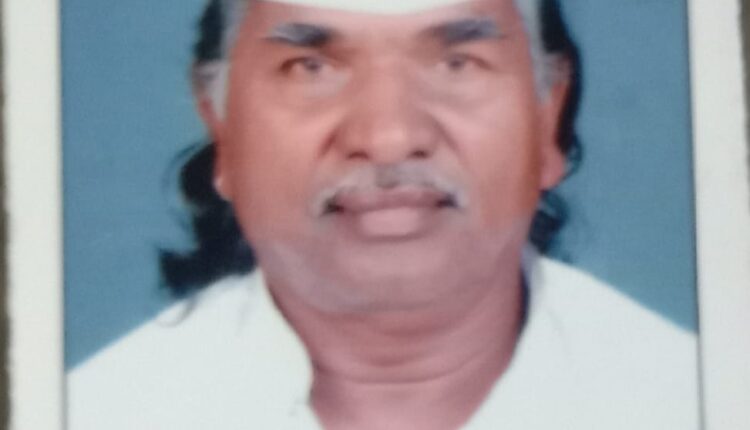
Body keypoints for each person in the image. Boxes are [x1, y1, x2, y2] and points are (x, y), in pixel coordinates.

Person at [68, 1, 699, 429]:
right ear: (221, 127)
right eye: (311, 67)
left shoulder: (695, 398)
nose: (390, 136)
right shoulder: (93, 412)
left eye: (457, 63)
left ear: (548, 117)